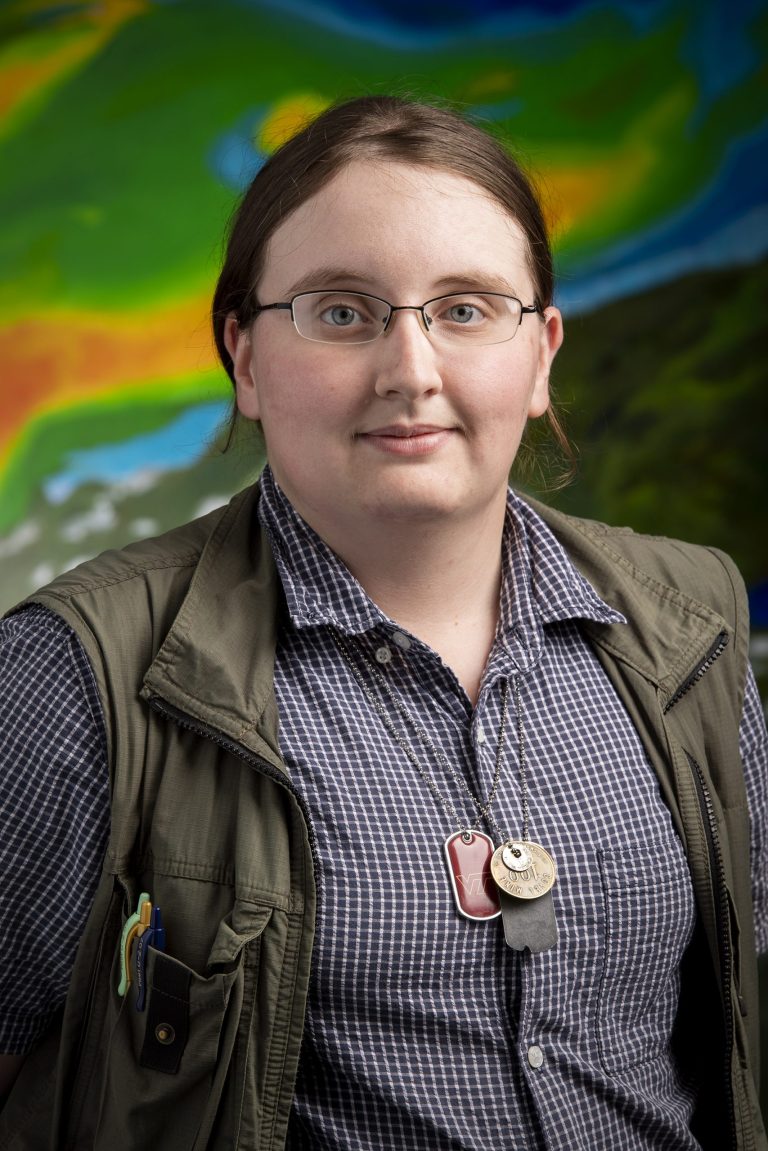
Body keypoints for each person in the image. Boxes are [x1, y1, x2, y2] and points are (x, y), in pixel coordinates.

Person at [0, 95, 766, 1150]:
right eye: (342, 311)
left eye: (465, 309)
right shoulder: (72, 677)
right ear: (246, 356)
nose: (412, 371)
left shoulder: (694, 627)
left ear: (540, 355)